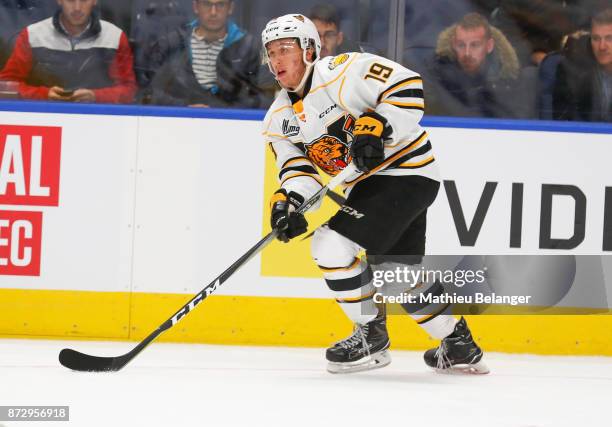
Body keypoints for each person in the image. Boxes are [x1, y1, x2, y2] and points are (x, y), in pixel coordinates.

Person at [261, 14, 488, 374]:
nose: (276, 60)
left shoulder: (343, 70)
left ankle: (370, 334)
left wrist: (377, 124)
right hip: (372, 186)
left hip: (407, 171)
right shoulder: (278, 118)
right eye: (271, 53)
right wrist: (288, 202)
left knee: (330, 244)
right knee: (395, 275)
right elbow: (298, 172)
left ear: (308, 51)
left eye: (285, 49)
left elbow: (408, 86)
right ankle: (459, 343)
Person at [0, 0, 136, 103]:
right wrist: (43, 94)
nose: (77, 8)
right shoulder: (32, 35)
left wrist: (95, 96)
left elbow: (129, 91)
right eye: (70, 0)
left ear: (95, 0)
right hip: (44, 118)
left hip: (97, 120)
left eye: (84, 0)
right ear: (59, 0)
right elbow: (6, 86)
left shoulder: (114, 37)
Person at [148, 0, 263, 108]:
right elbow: (152, 93)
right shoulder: (173, 44)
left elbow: (257, 98)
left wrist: (220, 110)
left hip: (230, 124)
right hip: (179, 123)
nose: (213, 12)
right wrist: (183, 107)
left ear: (230, 8)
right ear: (196, 7)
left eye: (221, 4)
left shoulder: (248, 47)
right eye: (207, 4)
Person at [424, 12, 535, 118]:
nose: (467, 53)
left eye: (475, 45)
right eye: (461, 45)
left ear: (489, 46)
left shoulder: (510, 81)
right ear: (453, 44)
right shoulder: (437, 76)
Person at [552, 8, 612, 122]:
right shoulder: (573, 71)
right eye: (596, 39)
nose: (602, 47)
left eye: (609, 38)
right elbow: (565, 123)